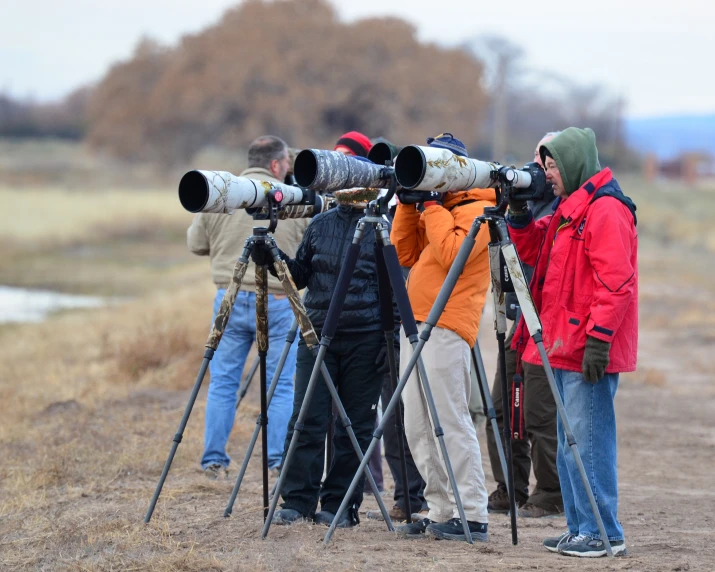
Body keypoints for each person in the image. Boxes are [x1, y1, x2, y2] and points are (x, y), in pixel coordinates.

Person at [506, 127, 637, 557]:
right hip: (564, 344)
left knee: (590, 441)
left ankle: (603, 532)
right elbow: (533, 248)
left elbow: (616, 283)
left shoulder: (605, 210)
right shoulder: (571, 209)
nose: (547, 174)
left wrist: (599, 340)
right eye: (544, 166)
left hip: (585, 347)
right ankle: (582, 526)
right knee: (569, 443)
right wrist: (521, 215)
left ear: (575, 161)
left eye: (552, 165)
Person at [253, 151, 398, 528]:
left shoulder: (383, 227)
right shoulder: (320, 224)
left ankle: (340, 504)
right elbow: (300, 275)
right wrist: (273, 258)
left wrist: (390, 343)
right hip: (316, 335)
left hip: (365, 339)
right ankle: (297, 500)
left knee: (355, 426)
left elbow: (396, 292)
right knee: (306, 419)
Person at [391, 133, 496, 542]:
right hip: (415, 324)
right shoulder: (438, 207)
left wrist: (432, 205)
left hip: (448, 326)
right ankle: (440, 511)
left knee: (449, 420)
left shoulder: (482, 209)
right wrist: (406, 202)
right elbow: (403, 253)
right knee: (417, 424)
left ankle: (471, 514)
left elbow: (454, 253)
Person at [187, 135, 307, 479]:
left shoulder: (223, 192)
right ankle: (276, 460)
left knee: (223, 382)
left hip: (229, 296)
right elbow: (306, 252)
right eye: (287, 163)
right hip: (280, 301)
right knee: (281, 386)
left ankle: (213, 461)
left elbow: (196, 244)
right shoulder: (292, 201)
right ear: (275, 165)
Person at [485, 132, 564, 518]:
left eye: (548, 163)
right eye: (537, 159)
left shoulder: (564, 207)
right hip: (514, 315)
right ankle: (508, 488)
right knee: (502, 408)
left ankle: (549, 490)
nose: (540, 169)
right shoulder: (518, 201)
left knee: (538, 412)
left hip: (544, 321)